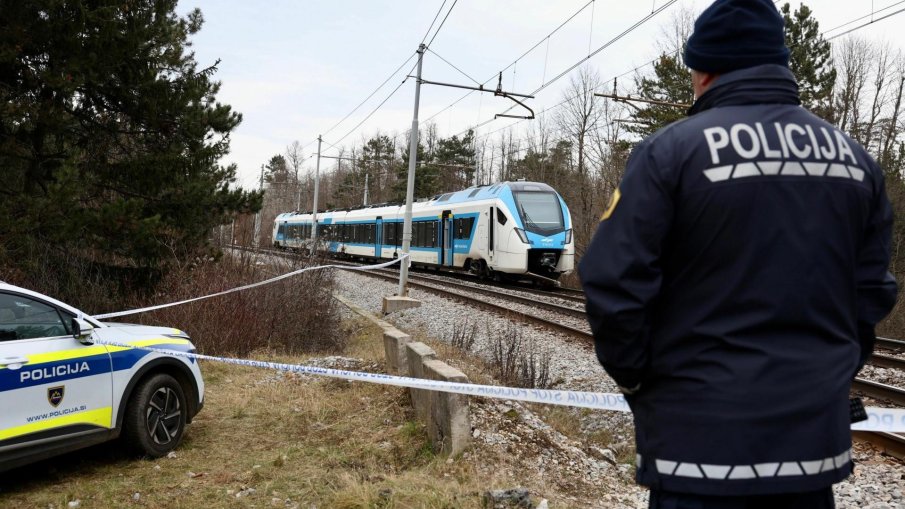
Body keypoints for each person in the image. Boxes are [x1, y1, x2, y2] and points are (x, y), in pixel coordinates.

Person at [578, 0, 898, 507]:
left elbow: (613, 282)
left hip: (696, 452)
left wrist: (641, 381)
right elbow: (872, 292)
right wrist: (828, 374)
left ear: (704, 70)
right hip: (810, 456)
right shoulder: (855, 162)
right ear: (779, 63)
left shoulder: (670, 153)